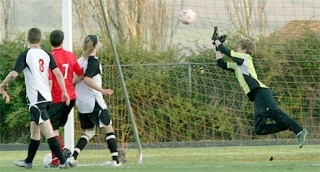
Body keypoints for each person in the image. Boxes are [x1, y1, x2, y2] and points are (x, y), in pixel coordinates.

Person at [211, 26, 307, 148]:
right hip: (257, 96)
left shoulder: (245, 58)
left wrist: (218, 42)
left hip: (261, 92)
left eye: (238, 48)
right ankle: (285, 124)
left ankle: (299, 130)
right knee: (259, 129)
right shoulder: (238, 65)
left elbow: (226, 51)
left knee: (273, 112)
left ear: (244, 49)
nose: (236, 50)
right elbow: (220, 63)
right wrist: (216, 45)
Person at [0, 27, 70, 169]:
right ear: (40, 39)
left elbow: (14, 74)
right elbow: (57, 73)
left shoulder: (26, 54)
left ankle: (63, 162)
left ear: (28, 39)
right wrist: (64, 91)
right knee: (35, 131)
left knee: (49, 132)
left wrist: (2, 84)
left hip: (37, 100)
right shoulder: (46, 54)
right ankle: (28, 161)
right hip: (46, 98)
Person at [68, 35, 122, 167]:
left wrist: (81, 77)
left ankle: (73, 158)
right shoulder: (93, 61)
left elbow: (73, 81)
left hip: (81, 102)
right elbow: (87, 79)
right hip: (94, 100)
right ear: (96, 45)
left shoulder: (79, 61)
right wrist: (103, 90)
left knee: (89, 132)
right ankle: (116, 161)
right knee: (108, 127)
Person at [47, 30, 84, 167]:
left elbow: (50, 80)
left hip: (57, 97)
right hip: (71, 97)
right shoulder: (71, 55)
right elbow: (80, 74)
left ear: (50, 41)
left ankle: (62, 150)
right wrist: (70, 84)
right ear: (62, 41)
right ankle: (55, 161)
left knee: (49, 129)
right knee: (54, 129)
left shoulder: (49, 57)